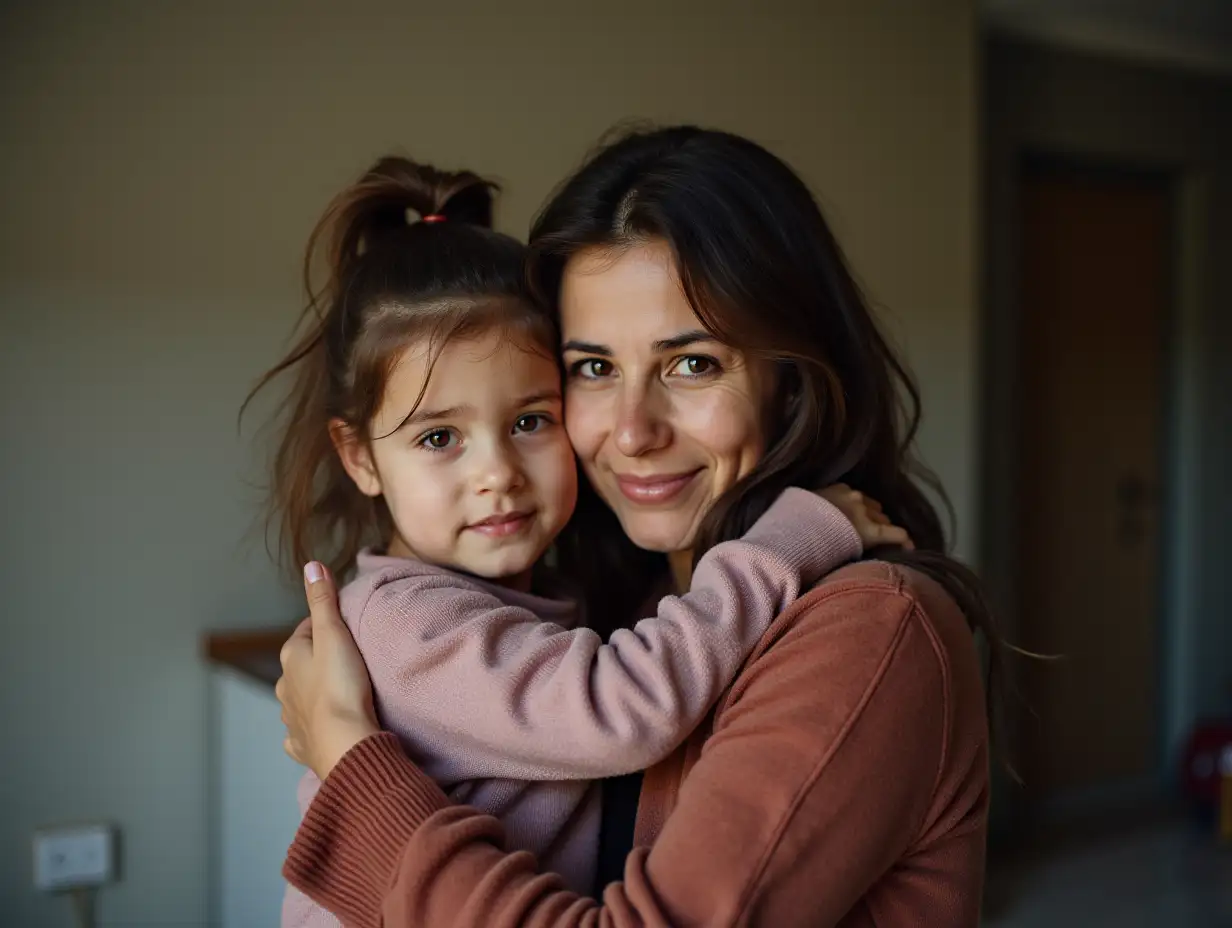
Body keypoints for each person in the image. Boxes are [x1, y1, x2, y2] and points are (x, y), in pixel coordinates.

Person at [276, 126, 995, 927]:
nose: (631, 430)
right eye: (593, 368)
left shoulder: (868, 629)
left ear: (790, 379)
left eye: (693, 364)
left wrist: (351, 766)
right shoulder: (632, 609)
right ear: (361, 457)